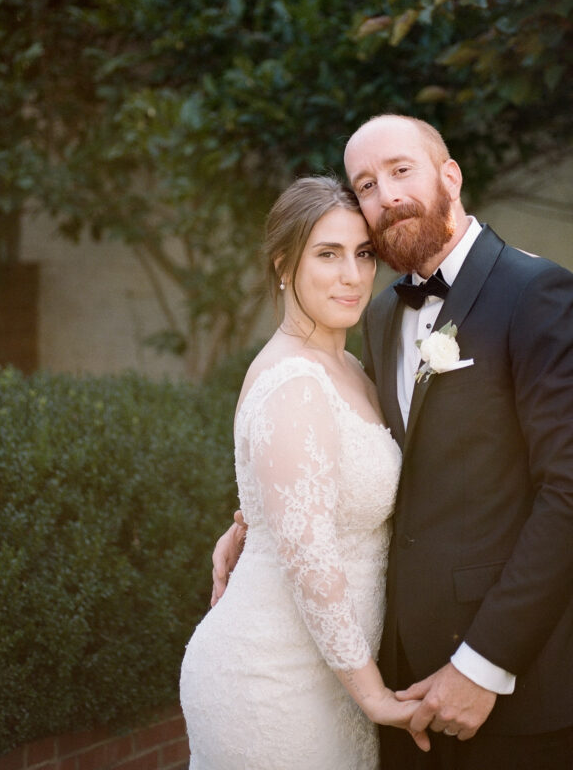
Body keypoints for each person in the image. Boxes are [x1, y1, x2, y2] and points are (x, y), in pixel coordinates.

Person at [213, 116, 573, 770]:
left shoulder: (539, 293)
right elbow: (350, 458)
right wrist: (256, 518)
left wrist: (483, 665)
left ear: (448, 174)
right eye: (365, 184)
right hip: (402, 683)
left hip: (520, 682)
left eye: (401, 170)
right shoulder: (377, 316)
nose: (386, 195)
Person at [180, 175, 429, 770]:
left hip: (332, 678)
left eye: (363, 254)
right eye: (327, 254)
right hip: (274, 683)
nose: (352, 275)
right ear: (283, 265)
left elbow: (302, 500)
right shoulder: (295, 381)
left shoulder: (345, 365)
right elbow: (311, 557)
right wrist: (374, 697)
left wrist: (249, 525)